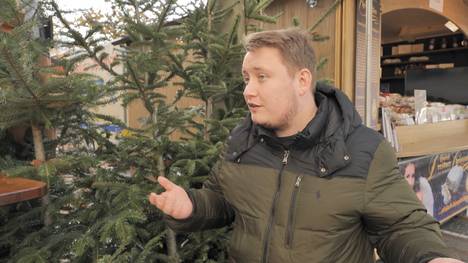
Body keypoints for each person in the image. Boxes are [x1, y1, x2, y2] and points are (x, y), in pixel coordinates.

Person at [149, 28, 463, 263]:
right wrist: (191, 206)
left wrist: (433, 257)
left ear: (301, 81)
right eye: (246, 78)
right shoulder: (241, 140)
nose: (248, 90)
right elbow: (223, 201)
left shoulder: (363, 151)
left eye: (262, 77)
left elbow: (401, 227)